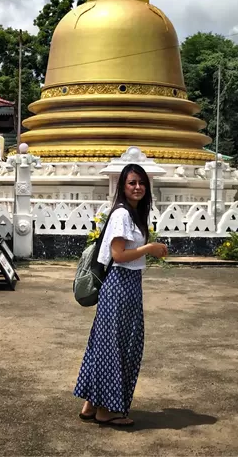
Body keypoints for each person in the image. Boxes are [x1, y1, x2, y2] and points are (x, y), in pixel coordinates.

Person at [75, 163, 168, 427]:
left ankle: (91, 405)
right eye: (132, 183)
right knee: (117, 345)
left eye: (141, 183)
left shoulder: (133, 213)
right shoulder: (122, 215)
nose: (137, 187)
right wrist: (149, 248)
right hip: (120, 283)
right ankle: (107, 410)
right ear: (123, 186)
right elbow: (118, 255)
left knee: (105, 344)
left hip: (126, 284)